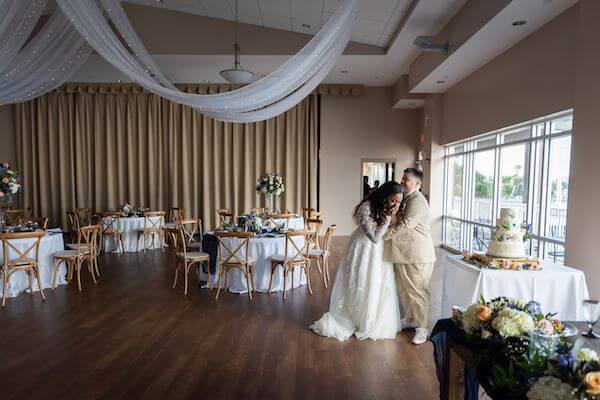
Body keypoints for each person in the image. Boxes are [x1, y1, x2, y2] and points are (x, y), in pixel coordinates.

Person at [310, 181, 403, 341]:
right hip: (362, 249)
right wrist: (387, 219)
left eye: (399, 202)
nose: (396, 204)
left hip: (378, 253)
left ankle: (371, 319)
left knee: (376, 284)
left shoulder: (385, 209)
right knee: (359, 282)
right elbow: (374, 238)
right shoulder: (365, 208)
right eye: (393, 200)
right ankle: (356, 317)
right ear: (385, 195)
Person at [383, 168, 436, 345]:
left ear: (417, 184)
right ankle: (411, 319)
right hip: (404, 253)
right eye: (403, 178)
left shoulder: (418, 201)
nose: (403, 182)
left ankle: (422, 328)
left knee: (418, 290)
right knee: (405, 289)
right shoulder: (406, 199)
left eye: (407, 180)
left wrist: (383, 235)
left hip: (417, 254)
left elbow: (407, 224)